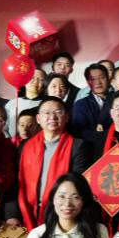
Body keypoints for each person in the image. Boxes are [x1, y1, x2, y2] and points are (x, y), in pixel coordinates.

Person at [16, 98, 92, 230]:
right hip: (28, 212)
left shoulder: (77, 146)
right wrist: (12, 214)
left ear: (66, 117)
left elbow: (77, 183)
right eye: (47, 113)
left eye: (58, 112)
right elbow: (17, 183)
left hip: (62, 212)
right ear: (38, 119)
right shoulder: (26, 146)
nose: (52, 117)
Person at [72, 63, 111, 142]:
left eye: (102, 77)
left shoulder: (118, 100)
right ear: (88, 82)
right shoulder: (81, 104)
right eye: (93, 79)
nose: (98, 82)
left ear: (108, 78)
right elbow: (79, 132)